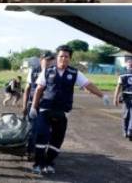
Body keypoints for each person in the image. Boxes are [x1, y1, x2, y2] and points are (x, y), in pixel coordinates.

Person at [29, 45, 110, 175]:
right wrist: (33, 107)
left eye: (66, 56)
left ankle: (49, 163)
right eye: (61, 56)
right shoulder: (47, 71)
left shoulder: (74, 73)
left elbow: (87, 85)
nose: (63, 59)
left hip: (62, 112)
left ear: (70, 58)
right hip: (45, 109)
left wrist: (102, 95)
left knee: (57, 140)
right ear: (57, 57)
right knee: (42, 136)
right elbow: (39, 89)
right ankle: (38, 164)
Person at [23, 51, 55, 159]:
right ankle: (30, 151)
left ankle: (41, 150)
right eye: (47, 60)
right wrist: (24, 106)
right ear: (41, 60)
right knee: (32, 129)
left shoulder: (55, 72)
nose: (49, 62)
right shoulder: (33, 71)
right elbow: (27, 89)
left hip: (48, 106)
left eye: (51, 60)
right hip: (33, 105)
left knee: (46, 130)